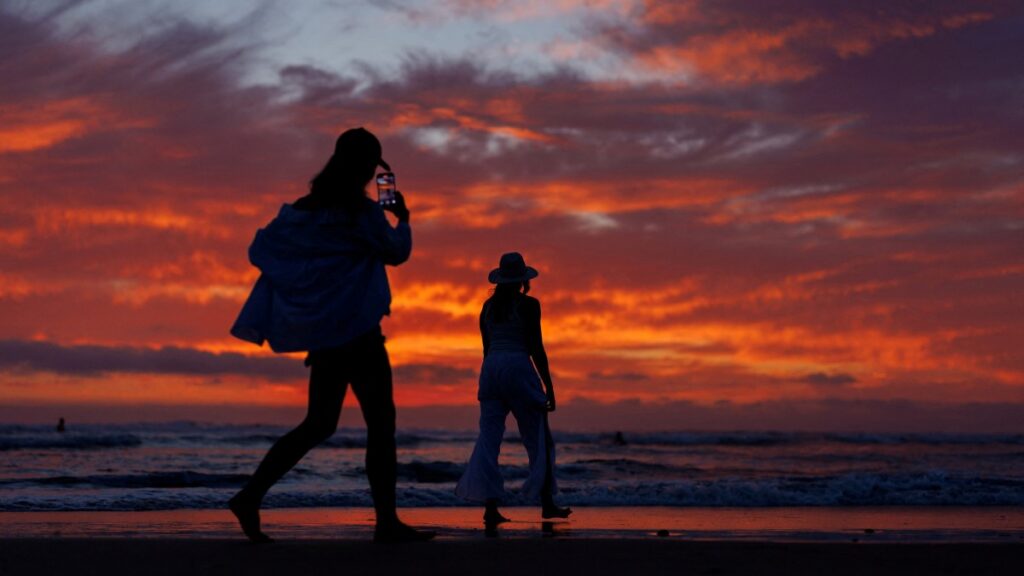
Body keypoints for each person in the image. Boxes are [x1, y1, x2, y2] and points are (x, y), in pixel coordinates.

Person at [227, 127, 434, 543]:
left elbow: (262, 249)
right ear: (364, 169)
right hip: (360, 334)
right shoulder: (362, 213)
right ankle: (386, 522)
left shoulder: (302, 211)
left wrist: (312, 295)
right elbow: (396, 253)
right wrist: (403, 217)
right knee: (381, 425)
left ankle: (251, 496)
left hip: (325, 339)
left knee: (318, 424)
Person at [455, 252, 571, 525]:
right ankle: (547, 503)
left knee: (489, 439)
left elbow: (486, 348)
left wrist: (490, 377)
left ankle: (490, 507)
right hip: (518, 365)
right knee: (537, 436)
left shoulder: (487, 307)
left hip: (492, 368)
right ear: (522, 280)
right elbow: (535, 347)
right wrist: (549, 386)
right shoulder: (529, 305)